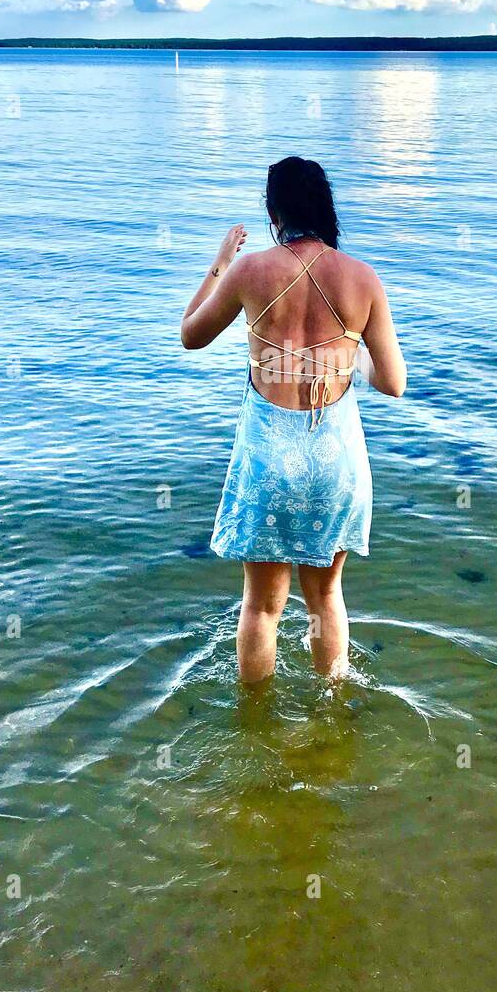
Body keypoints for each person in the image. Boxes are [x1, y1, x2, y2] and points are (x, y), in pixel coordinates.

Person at [181, 157, 406, 684]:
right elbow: (394, 382)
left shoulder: (251, 270)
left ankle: (254, 723)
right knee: (326, 598)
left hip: (268, 453)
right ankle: (333, 712)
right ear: (324, 208)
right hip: (335, 453)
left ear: (272, 210)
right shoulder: (362, 278)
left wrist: (218, 263)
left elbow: (190, 335)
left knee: (261, 607)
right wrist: (347, 353)